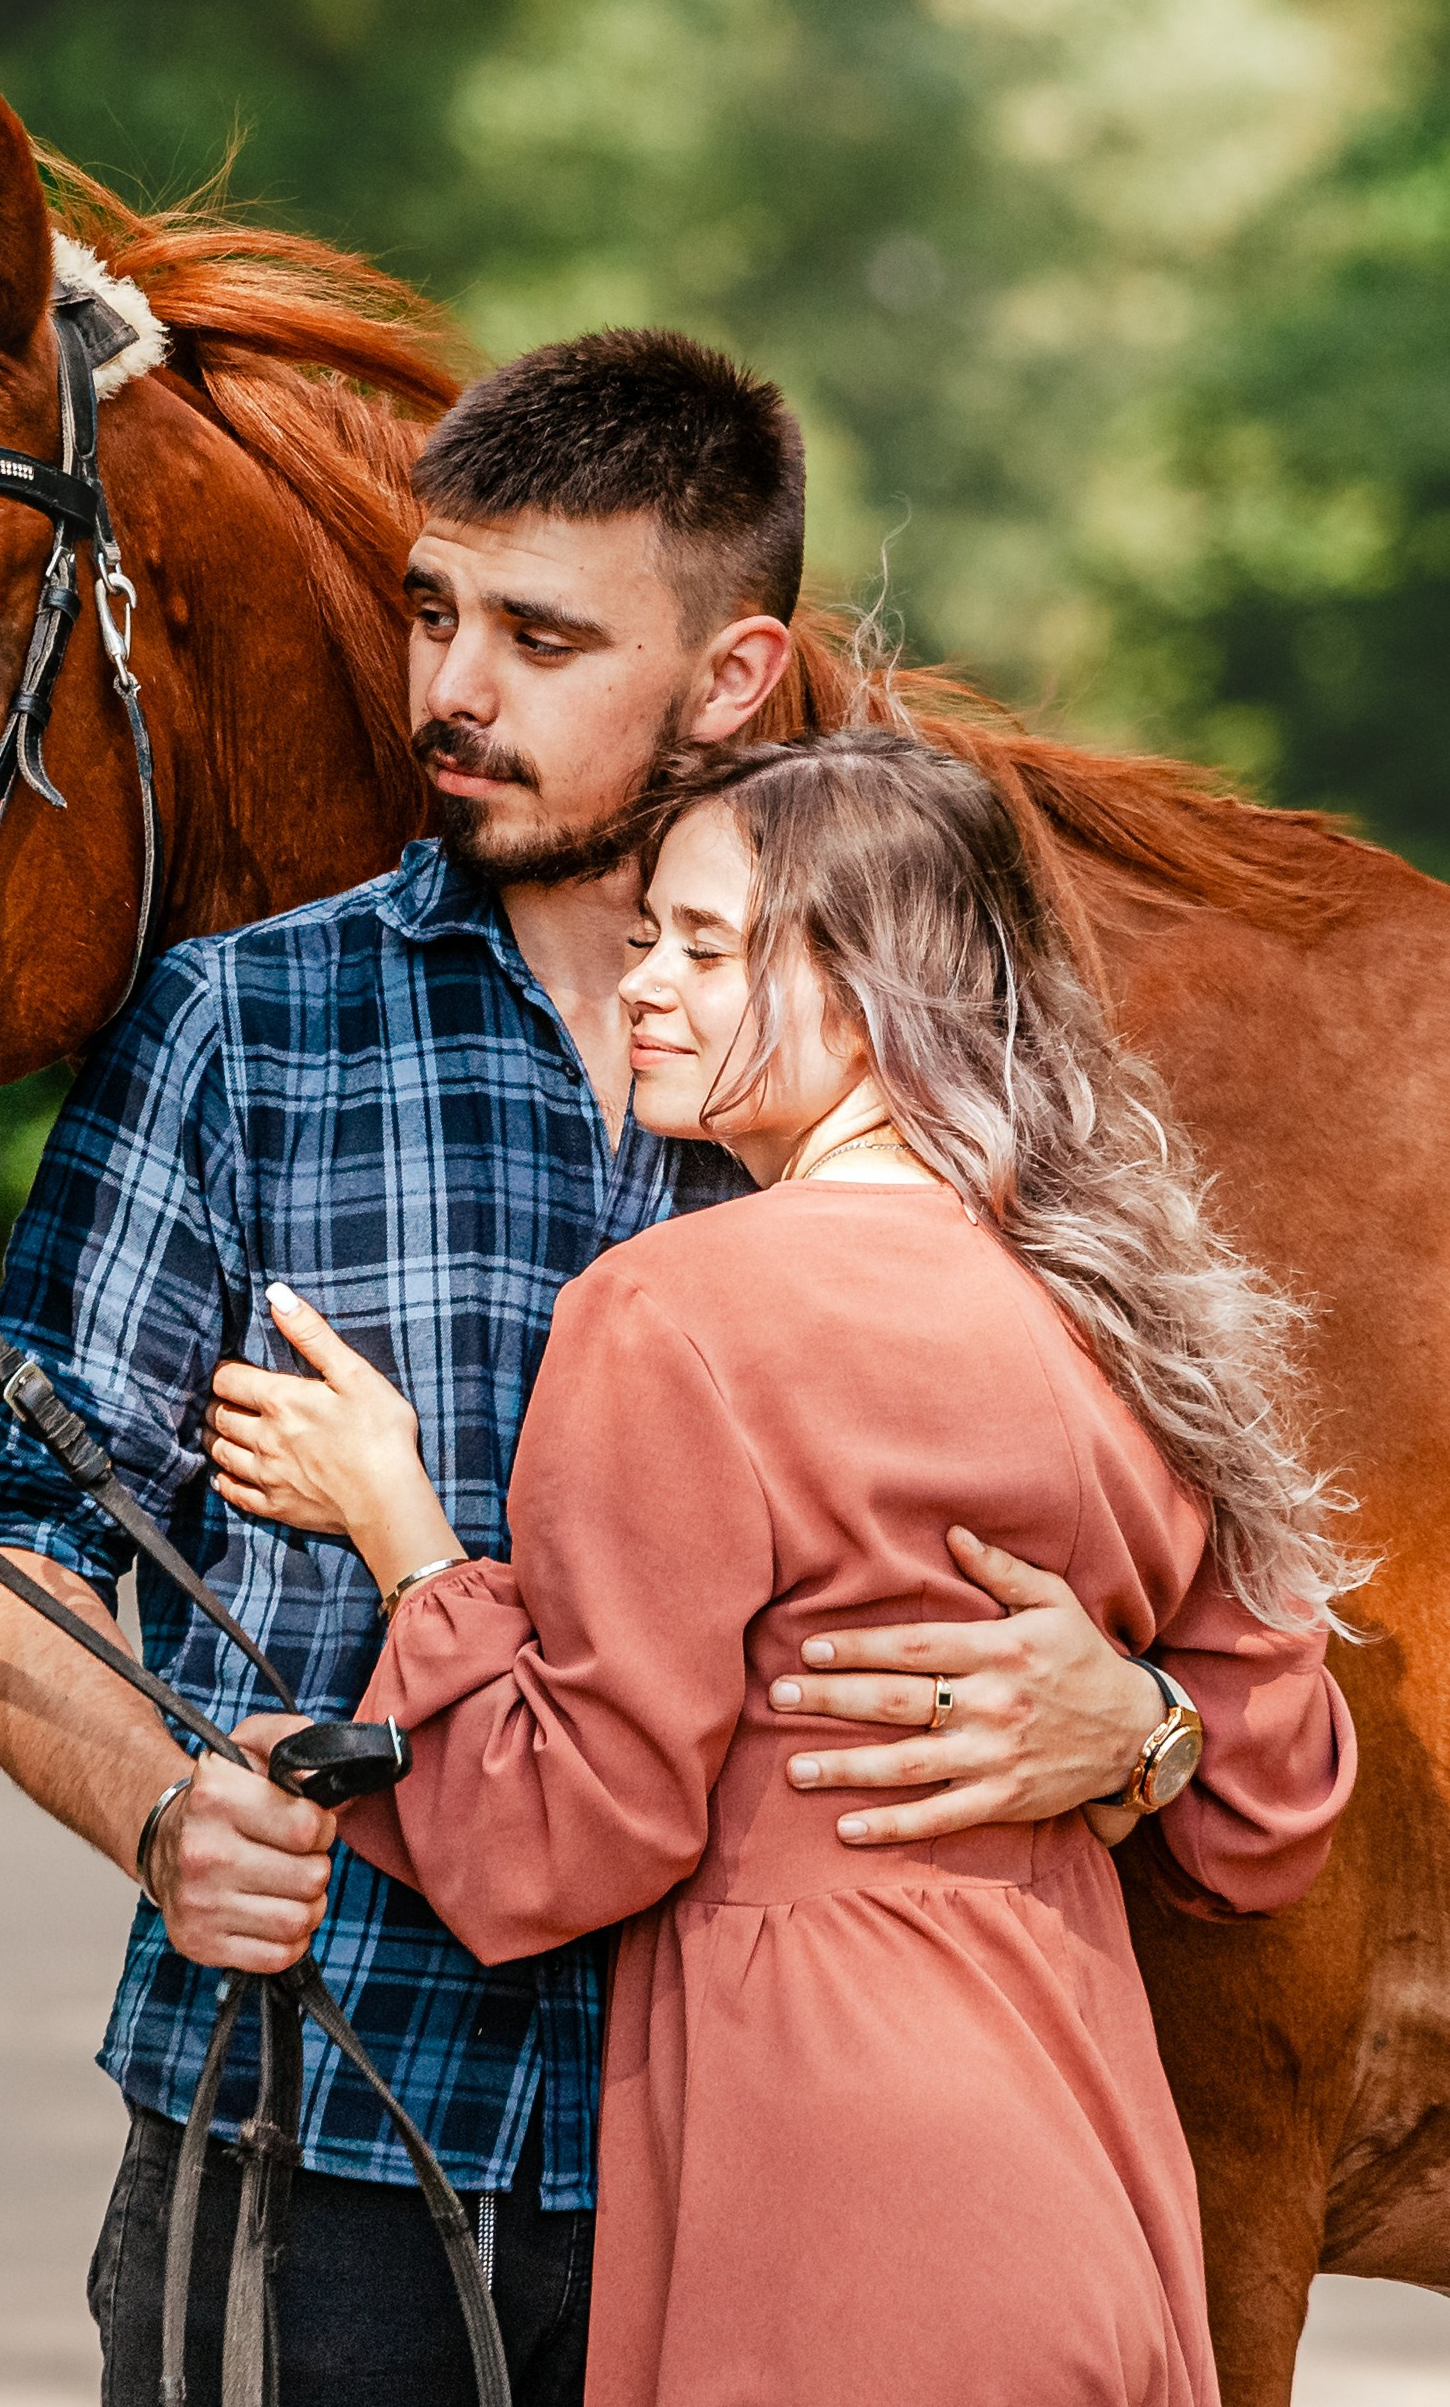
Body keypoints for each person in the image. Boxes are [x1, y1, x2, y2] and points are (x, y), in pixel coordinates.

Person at [0, 331, 1245, 2407]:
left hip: (763, 2182)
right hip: (324, 2120)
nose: (451, 686)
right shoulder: (241, 1030)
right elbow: (3, 1532)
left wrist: (1138, 1718)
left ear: (731, 677)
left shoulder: (955, 1115)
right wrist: (159, 1807)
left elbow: (1244, 1676)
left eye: (541, 637)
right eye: (435, 612)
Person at [208, 730, 1359, 2407]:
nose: (645, 986)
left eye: (707, 945)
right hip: (1085, 2160)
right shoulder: (1117, 1304)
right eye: (644, 939)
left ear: (872, 984)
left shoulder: (674, 1310)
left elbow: (560, 1837)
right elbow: (1271, 1801)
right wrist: (1140, 1725)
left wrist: (401, 1535)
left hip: (831, 2181)